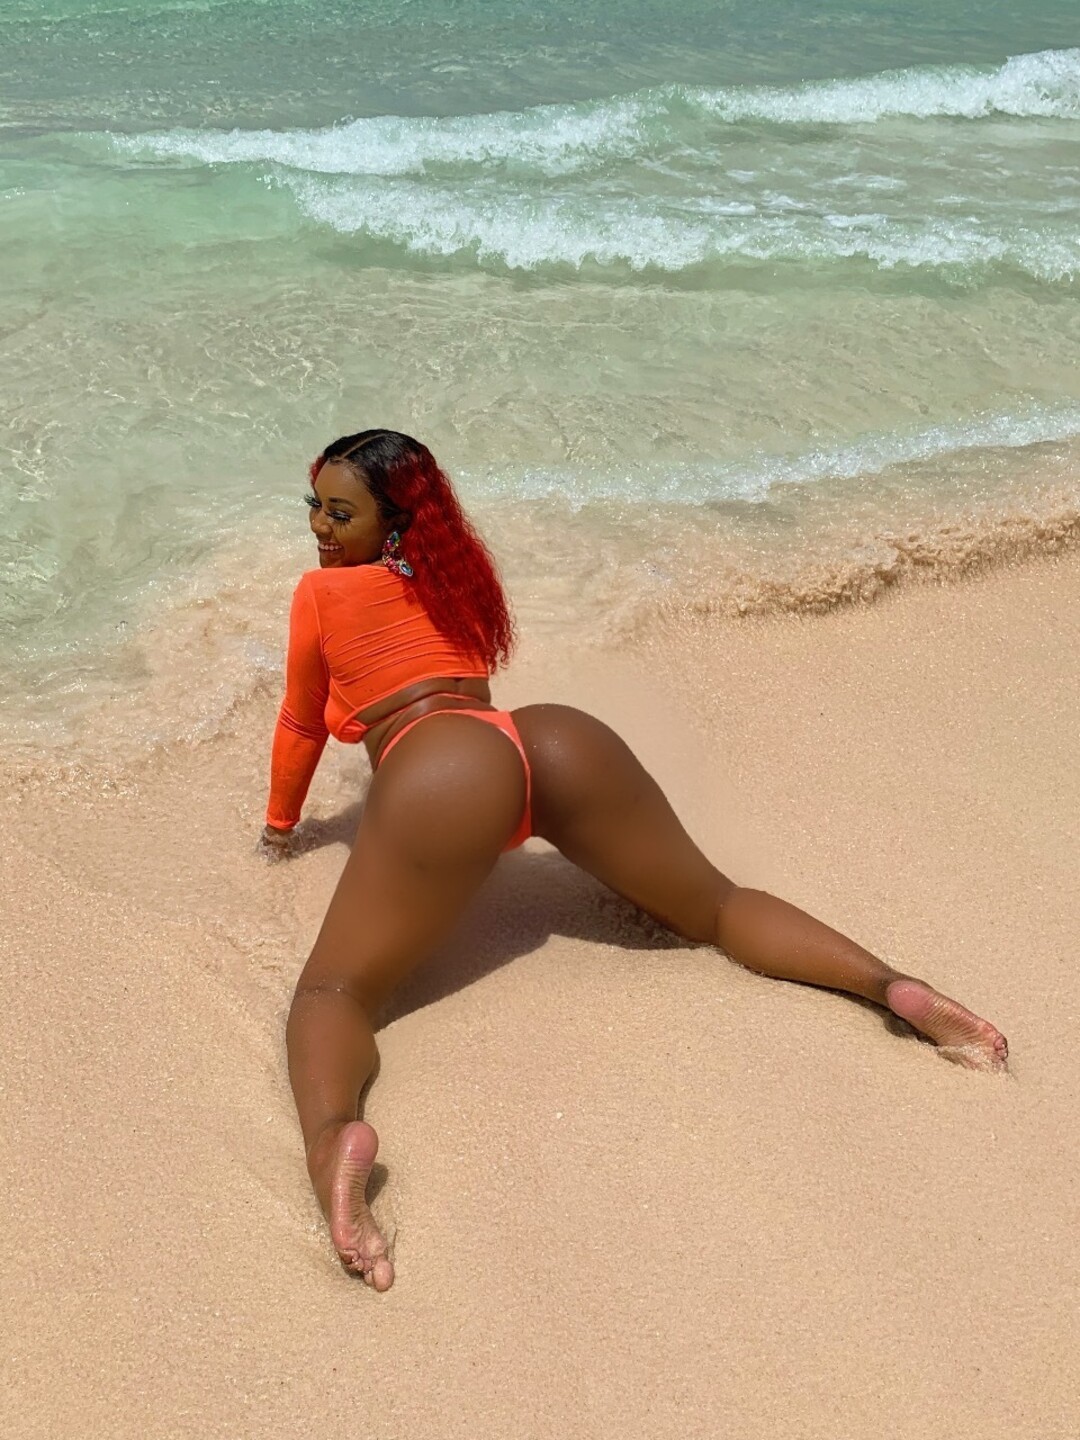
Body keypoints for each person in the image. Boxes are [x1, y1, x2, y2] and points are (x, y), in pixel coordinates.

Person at [263, 428, 1008, 1293]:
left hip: (444, 774)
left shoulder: (321, 593)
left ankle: (334, 1145)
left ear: (392, 522)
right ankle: (896, 989)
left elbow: (301, 723)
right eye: (314, 506)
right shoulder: (450, 577)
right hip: (548, 743)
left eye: (340, 513)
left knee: (333, 994)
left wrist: (279, 829)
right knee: (717, 906)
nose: (319, 526)